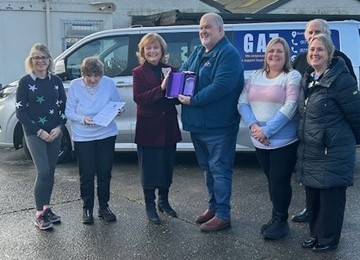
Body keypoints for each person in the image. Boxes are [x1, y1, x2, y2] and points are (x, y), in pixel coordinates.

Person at [178, 12, 244, 232]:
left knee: (220, 169)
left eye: (208, 27)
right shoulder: (198, 51)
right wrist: (171, 82)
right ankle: (213, 207)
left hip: (219, 126)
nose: (203, 31)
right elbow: (183, 73)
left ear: (220, 30)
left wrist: (192, 100)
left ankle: (223, 215)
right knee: (208, 169)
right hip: (198, 124)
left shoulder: (228, 54)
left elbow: (221, 87)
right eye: (201, 28)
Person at [296, 33, 360, 252]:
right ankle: (315, 235)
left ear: (330, 53)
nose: (315, 53)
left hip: (332, 149)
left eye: (320, 50)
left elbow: (356, 115)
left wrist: (349, 144)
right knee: (313, 197)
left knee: (331, 198)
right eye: (312, 50)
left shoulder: (341, 79)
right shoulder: (308, 78)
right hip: (311, 149)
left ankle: (329, 239)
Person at [238, 37, 301, 239]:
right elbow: (242, 103)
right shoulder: (255, 76)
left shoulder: (292, 76)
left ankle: (282, 221)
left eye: (279, 51)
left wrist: (268, 131)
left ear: (286, 55)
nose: (274, 55)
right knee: (271, 181)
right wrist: (255, 127)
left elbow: (290, 106)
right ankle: (275, 216)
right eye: (271, 51)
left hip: (284, 141)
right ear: (265, 55)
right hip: (260, 141)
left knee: (279, 180)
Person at [16, 43, 67, 230]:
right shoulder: (25, 82)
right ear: (31, 60)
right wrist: (39, 131)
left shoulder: (56, 81)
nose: (40, 61)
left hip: (54, 132)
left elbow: (64, 107)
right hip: (34, 133)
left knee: (51, 172)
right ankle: (39, 213)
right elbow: (21, 113)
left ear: (49, 60)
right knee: (43, 171)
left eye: (44, 57)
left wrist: (60, 127)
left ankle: (46, 208)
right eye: (36, 57)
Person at [132, 33, 182, 224]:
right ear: (143, 52)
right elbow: (140, 98)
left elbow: (176, 99)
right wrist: (161, 88)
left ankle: (164, 201)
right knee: (149, 169)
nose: (152, 51)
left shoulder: (172, 70)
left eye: (156, 48)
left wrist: (183, 91)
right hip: (148, 129)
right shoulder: (138, 72)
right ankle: (150, 205)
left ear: (162, 51)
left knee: (166, 166)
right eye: (148, 48)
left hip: (168, 126)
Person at [65, 57, 121, 224]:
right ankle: (87, 208)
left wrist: (118, 110)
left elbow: (117, 103)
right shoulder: (75, 86)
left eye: (96, 75)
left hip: (106, 133)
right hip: (83, 136)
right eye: (89, 75)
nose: (93, 79)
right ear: (83, 74)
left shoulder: (109, 83)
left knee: (105, 173)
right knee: (87, 174)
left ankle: (104, 207)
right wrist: (83, 119)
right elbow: (68, 112)